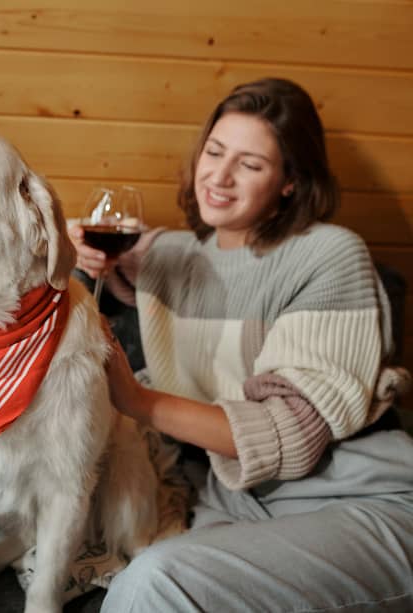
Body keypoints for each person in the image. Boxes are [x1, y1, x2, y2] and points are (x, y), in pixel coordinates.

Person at [70, 78, 413, 611]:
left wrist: (136, 401)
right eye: (214, 152)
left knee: (153, 583)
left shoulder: (330, 255)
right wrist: (70, 243)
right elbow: (104, 247)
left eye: (251, 165)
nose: (220, 178)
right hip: (234, 503)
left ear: (290, 183)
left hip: (357, 496)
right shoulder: (173, 256)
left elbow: (292, 435)